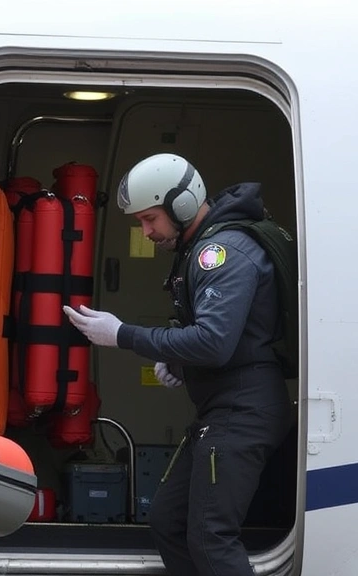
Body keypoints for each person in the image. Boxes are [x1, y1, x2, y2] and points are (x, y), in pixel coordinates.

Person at [62, 153, 293, 576]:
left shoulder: (221, 253)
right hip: (222, 409)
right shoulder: (202, 248)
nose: (145, 231)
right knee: (168, 520)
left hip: (242, 411)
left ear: (183, 205)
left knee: (210, 535)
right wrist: (180, 362)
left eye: (150, 219)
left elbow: (213, 342)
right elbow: (228, 340)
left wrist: (122, 334)